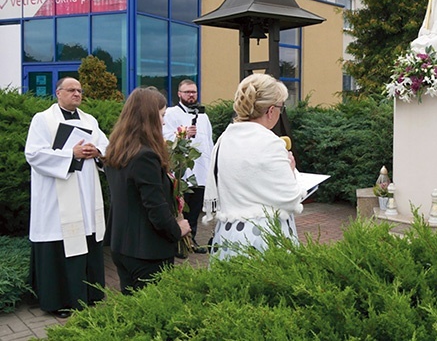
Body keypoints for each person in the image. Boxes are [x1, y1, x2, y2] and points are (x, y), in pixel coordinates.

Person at [25, 77, 109, 318]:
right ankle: (61, 301)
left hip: (85, 193)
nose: (77, 94)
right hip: (56, 197)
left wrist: (98, 152)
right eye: (71, 90)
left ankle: (90, 294)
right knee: (61, 243)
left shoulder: (89, 120)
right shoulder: (43, 119)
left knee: (87, 239)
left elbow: (106, 147)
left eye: (80, 90)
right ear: (58, 92)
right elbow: (34, 154)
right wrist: (69, 154)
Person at [204, 73, 305, 260]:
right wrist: (292, 172)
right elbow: (291, 198)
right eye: (281, 108)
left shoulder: (223, 140)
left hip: (228, 234)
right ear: (271, 110)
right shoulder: (271, 143)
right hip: (265, 237)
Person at [103, 87, 191, 293]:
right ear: (149, 117)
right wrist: (177, 230)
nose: (163, 122)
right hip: (147, 250)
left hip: (122, 245)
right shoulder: (145, 156)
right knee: (152, 314)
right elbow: (155, 206)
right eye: (161, 115)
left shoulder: (117, 150)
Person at [162, 79, 213, 255]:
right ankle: (178, 242)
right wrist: (182, 134)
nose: (191, 95)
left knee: (195, 209)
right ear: (179, 94)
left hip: (201, 170)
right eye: (187, 92)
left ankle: (192, 240)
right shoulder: (170, 113)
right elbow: (165, 137)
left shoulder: (203, 116)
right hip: (183, 170)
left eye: (194, 92)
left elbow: (208, 142)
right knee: (181, 208)